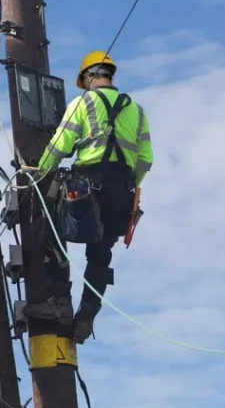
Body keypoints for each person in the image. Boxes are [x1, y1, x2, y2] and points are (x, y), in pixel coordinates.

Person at [31, 50, 154, 344]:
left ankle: (60, 300)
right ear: (109, 75)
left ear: (88, 77)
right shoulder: (136, 110)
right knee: (100, 256)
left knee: (49, 227)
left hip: (86, 189)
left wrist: (37, 174)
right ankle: (87, 314)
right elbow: (146, 159)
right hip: (121, 195)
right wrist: (127, 185)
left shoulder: (83, 102)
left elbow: (60, 144)